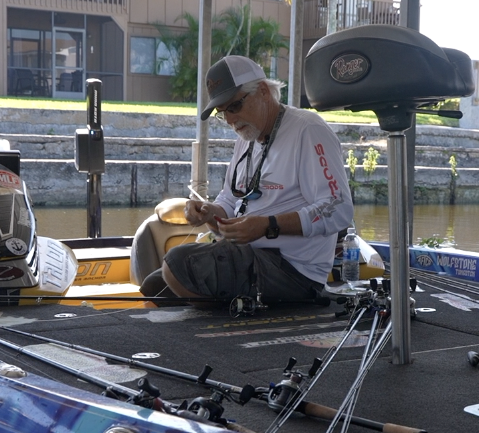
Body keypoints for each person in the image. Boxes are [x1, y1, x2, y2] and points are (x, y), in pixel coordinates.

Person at [140, 55, 354, 304]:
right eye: (223, 113)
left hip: (294, 271)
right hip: (250, 255)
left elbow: (338, 208)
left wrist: (267, 225)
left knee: (178, 264)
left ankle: (230, 325)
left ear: (263, 91)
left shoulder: (308, 130)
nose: (230, 120)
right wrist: (209, 213)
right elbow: (229, 202)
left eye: (234, 107)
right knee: (155, 285)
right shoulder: (247, 138)